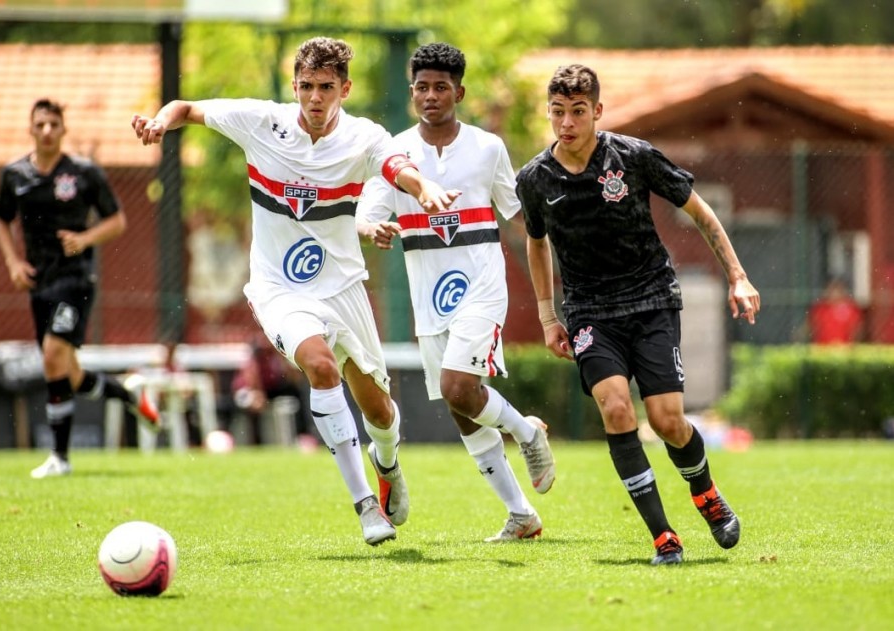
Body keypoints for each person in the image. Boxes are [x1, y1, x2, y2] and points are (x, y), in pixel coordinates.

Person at [131, 37, 460, 546]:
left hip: (344, 286)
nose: (314, 98)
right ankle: (365, 505)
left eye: (326, 87)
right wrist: (159, 122)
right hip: (278, 287)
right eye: (306, 86)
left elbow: (398, 167)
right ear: (294, 86)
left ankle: (387, 462)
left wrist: (424, 190)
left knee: (380, 412)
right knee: (321, 366)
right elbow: (187, 108)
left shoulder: (364, 137)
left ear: (345, 89)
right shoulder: (263, 122)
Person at [518, 64, 761, 565]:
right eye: (558, 112)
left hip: (651, 300)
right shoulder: (536, 178)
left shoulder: (633, 157)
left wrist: (737, 275)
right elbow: (536, 243)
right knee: (616, 409)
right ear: (549, 112)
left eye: (578, 112)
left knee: (668, 420)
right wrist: (548, 316)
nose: (566, 122)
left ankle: (707, 496)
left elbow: (700, 211)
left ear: (597, 112)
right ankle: (662, 536)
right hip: (589, 311)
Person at [356, 43, 555, 543]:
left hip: (483, 287)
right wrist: (373, 228)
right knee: (461, 407)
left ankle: (528, 434)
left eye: (441, 87)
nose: (430, 95)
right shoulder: (395, 152)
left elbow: (520, 217)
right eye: (421, 87)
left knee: (457, 389)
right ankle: (521, 515)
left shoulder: (488, 148)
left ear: (459, 92)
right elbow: (367, 212)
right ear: (411, 94)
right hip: (429, 298)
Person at [0, 98, 160, 479]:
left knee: (52, 355)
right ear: (30, 129)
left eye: (54, 124)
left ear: (64, 130)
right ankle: (129, 396)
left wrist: (85, 239)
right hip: (40, 282)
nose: (48, 131)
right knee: (68, 374)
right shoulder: (14, 174)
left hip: (76, 279)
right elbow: (1, 219)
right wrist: (12, 262)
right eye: (41, 125)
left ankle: (60, 458)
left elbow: (117, 220)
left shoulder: (83, 173)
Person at [231, 335, 315, 449]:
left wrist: (283, 360)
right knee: (254, 405)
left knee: (299, 393)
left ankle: (303, 435)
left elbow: (294, 379)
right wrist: (258, 394)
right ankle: (254, 443)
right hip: (247, 391)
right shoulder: (254, 357)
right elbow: (251, 378)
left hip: (270, 390)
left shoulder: (277, 354)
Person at [808, 278, 864, 345]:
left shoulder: (851, 308)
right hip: (823, 349)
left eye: (836, 290)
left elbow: (857, 330)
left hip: (844, 349)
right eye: (831, 290)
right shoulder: (820, 309)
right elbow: (813, 328)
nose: (834, 293)